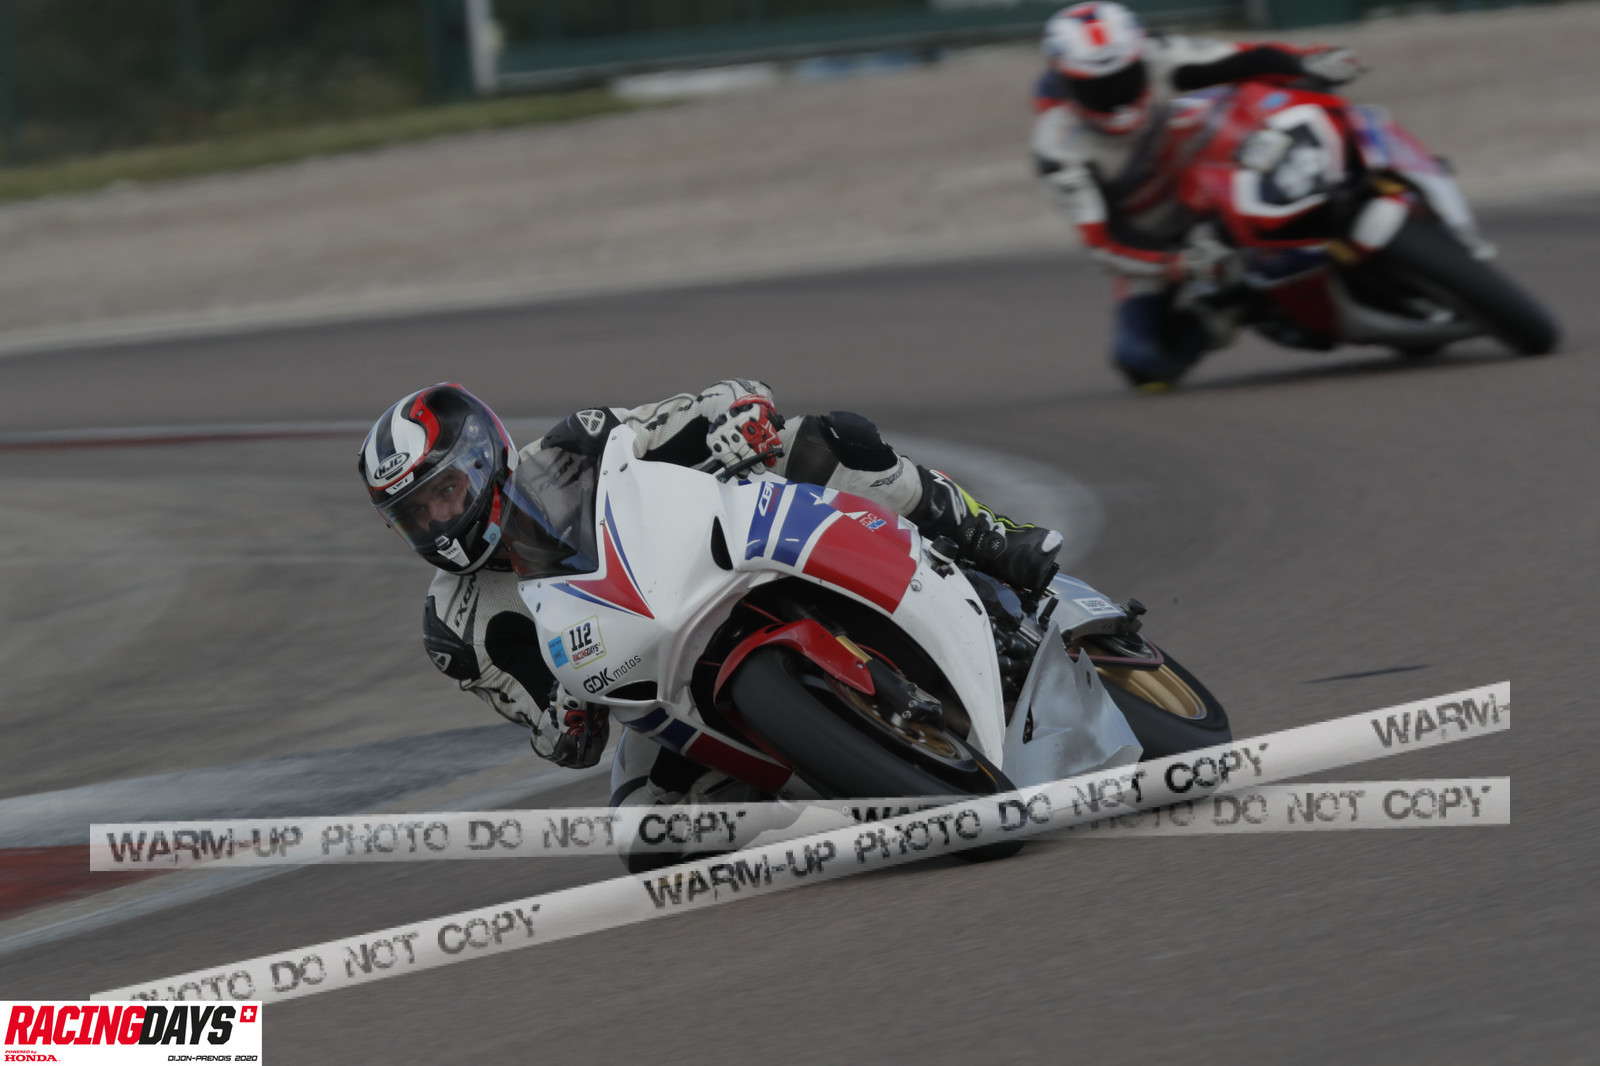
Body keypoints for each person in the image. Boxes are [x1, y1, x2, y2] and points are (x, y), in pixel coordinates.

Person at [358, 380, 1064, 860]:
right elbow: (550, 728)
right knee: (647, 838)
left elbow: (700, 408)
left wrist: (739, 418)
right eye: (415, 513)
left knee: (821, 439)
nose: (438, 519)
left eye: (445, 492)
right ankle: (828, 766)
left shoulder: (576, 447)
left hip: (716, 558)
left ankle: (988, 538)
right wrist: (565, 720)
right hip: (654, 680)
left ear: (483, 458)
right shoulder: (454, 625)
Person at [1031, 1, 1364, 386]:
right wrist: (1178, 262)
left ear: (1139, 55)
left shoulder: (1159, 53)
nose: (1115, 96)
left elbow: (1242, 58)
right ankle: (1232, 308)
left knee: (1261, 102)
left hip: (1216, 180)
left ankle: (1356, 175)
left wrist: (1307, 60)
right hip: (1153, 236)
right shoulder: (1057, 147)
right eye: (1095, 88)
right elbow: (1104, 241)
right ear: (1065, 80)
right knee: (1141, 362)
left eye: (1125, 78)